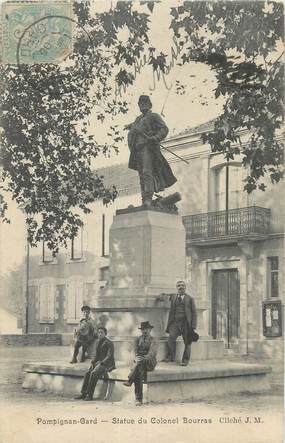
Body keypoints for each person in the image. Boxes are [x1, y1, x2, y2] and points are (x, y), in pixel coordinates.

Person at [127, 95, 177, 207]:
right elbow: (133, 130)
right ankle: (144, 198)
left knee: (147, 172)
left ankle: (148, 197)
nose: (142, 105)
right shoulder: (137, 120)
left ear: (149, 105)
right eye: (140, 104)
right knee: (141, 175)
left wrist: (155, 138)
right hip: (137, 150)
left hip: (148, 148)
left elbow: (164, 129)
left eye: (144, 103)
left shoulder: (154, 116)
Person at [161, 280, 197, 366]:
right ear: (176, 288)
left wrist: (193, 325)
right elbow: (164, 296)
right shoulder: (173, 297)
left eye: (182, 285)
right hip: (175, 323)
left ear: (185, 287)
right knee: (170, 339)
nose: (181, 287)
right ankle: (170, 357)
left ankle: (185, 360)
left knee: (187, 342)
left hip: (186, 324)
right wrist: (160, 296)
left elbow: (194, 312)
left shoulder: (190, 299)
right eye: (179, 286)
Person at [74, 326, 115, 401]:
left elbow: (110, 356)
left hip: (107, 364)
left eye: (102, 333)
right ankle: (83, 393)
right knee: (87, 373)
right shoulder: (97, 342)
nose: (100, 334)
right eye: (99, 332)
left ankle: (90, 395)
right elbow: (96, 355)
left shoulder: (109, 343)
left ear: (105, 334)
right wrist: (93, 361)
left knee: (94, 373)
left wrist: (101, 363)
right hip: (99, 362)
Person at [123, 321, 157, 405]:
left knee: (139, 365)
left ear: (150, 330)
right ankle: (138, 399)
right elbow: (135, 351)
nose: (145, 331)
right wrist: (137, 358)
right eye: (143, 329)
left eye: (147, 329)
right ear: (141, 330)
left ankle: (130, 380)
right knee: (139, 373)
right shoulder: (137, 339)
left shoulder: (153, 340)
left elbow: (152, 353)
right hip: (139, 363)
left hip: (149, 362)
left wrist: (143, 358)